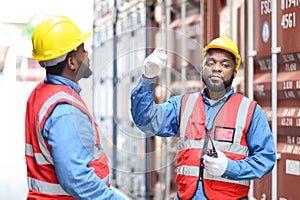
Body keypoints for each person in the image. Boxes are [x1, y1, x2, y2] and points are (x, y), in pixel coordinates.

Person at [130, 36, 276, 200]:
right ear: (202, 68)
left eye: (225, 64)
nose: (217, 68)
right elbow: (146, 120)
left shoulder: (250, 111)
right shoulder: (183, 105)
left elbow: (266, 159)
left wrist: (230, 167)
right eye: (210, 63)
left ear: (235, 72)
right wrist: (148, 78)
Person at [25, 16, 124, 199]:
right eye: (82, 50)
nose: (87, 54)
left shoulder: (42, 93)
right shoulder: (65, 109)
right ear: (71, 62)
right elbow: (76, 179)